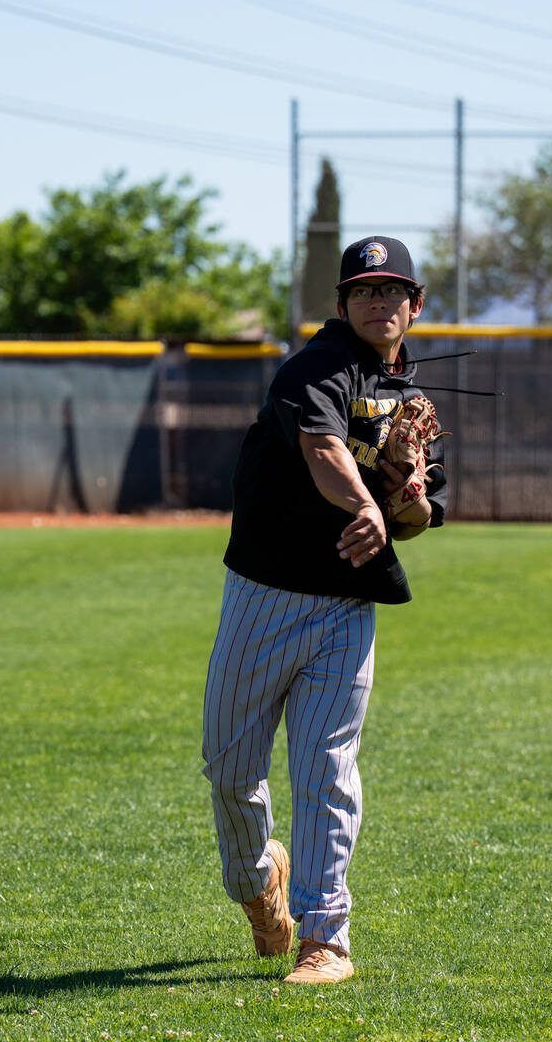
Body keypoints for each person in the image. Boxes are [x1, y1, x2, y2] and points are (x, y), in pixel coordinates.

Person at [202, 236, 447, 984]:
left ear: (416, 304)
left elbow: (419, 517)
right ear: (342, 305)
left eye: (394, 290)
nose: (381, 303)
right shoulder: (316, 367)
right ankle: (257, 886)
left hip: (346, 608)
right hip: (263, 598)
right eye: (366, 291)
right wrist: (369, 498)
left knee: (327, 770)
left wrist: (405, 495)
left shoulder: (411, 397)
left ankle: (325, 939)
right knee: (231, 771)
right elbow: (322, 450)